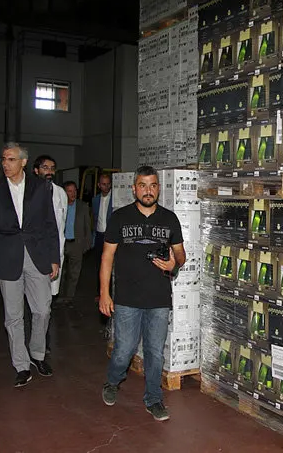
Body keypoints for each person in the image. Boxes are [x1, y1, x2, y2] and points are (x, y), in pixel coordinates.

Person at [99, 165, 186, 422]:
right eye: (143, 186)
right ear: (134, 188)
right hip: (127, 298)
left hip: (158, 298)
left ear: (158, 188)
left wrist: (174, 264)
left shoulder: (169, 219)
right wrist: (104, 293)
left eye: (153, 185)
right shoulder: (120, 217)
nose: (148, 191)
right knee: (124, 350)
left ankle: (154, 399)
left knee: (155, 352)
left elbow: (180, 254)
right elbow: (106, 258)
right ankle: (112, 382)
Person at [0, 142, 60, 387]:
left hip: (37, 256)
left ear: (24, 162)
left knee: (42, 310)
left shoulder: (41, 187)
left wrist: (54, 258)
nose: (6, 164)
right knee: (13, 316)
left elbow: (50, 224)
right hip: (7, 259)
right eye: (3, 159)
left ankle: (37, 354)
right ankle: (21, 365)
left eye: (11, 159)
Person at [32, 155, 67, 299]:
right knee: (32, 293)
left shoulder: (60, 193)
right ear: (36, 170)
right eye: (45, 168)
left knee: (49, 295)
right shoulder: (28, 192)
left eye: (52, 169)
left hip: (54, 250)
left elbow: (61, 225)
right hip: (33, 250)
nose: (49, 172)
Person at [59, 181, 91, 304]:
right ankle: (59, 295)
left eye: (75, 191)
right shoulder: (59, 205)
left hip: (77, 244)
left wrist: (87, 243)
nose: (73, 194)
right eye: (70, 191)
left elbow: (88, 226)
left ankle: (69, 297)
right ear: (64, 192)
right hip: (62, 244)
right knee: (61, 272)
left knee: (74, 272)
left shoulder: (83, 206)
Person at [92, 173, 113, 295]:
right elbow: (94, 219)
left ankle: (111, 292)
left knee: (111, 265)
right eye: (104, 184)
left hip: (110, 236)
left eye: (108, 184)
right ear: (99, 185)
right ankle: (100, 292)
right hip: (99, 236)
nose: (106, 186)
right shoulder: (95, 200)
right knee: (100, 266)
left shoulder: (114, 200)